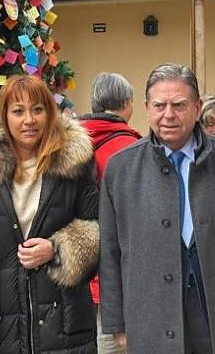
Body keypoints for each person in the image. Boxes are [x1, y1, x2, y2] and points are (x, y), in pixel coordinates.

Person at [99, 63, 215, 353]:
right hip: (151, 316)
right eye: (159, 105)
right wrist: (116, 321)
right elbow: (109, 252)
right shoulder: (121, 168)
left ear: (197, 108)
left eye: (179, 105)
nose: (168, 115)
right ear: (147, 107)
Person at [0, 75, 100, 353]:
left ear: (48, 113)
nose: (29, 120)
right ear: (4, 116)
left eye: (37, 109)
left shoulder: (74, 161)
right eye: (18, 111)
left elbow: (98, 226)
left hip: (64, 320)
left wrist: (56, 249)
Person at [79, 72, 141, 354]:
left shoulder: (67, 142)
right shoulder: (132, 149)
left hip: (71, 261)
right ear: (126, 104)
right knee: (113, 338)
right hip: (115, 265)